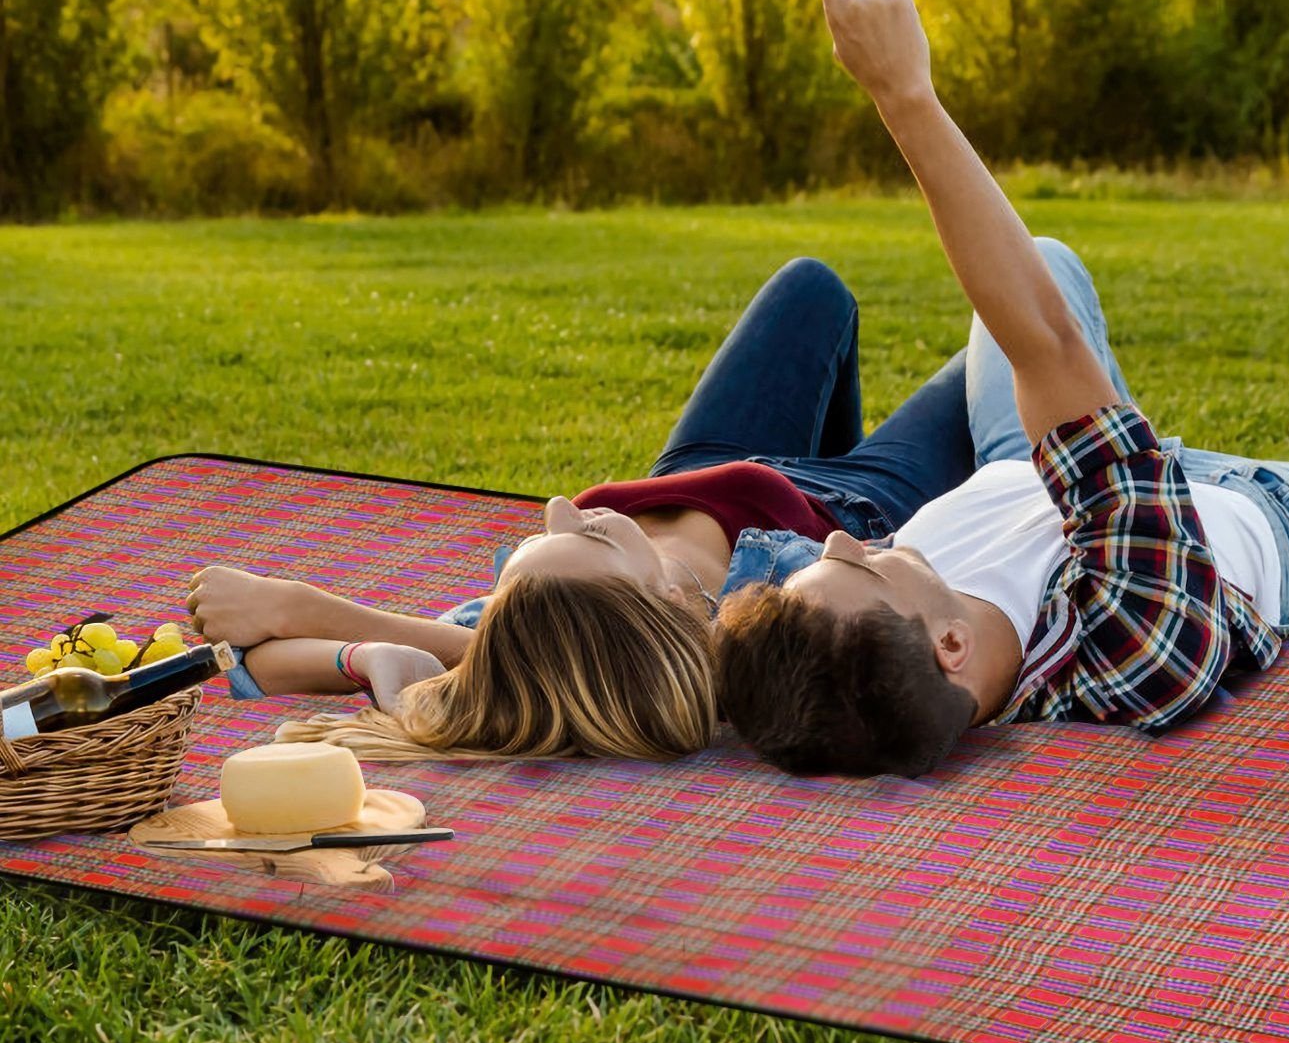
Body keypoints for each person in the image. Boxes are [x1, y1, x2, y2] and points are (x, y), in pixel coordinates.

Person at [712, 0, 1289, 779]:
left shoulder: (869, 655)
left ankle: (1112, 444)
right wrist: (903, 96)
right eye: (862, 569)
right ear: (949, 646)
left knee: (1044, 258)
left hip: (1030, 466)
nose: (837, 545)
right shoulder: (1132, 643)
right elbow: (1044, 337)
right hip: (1266, 515)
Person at [187, 251, 984, 760]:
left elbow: (260, 666)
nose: (563, 505)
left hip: (704, 467)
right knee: (997, 340)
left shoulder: (537, 621)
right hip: (855, 509)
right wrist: (315, 609)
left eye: (551, 535)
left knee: (812, 287)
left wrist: (351, 647)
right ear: (664, 604)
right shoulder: (741, 646)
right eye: (595, 539)